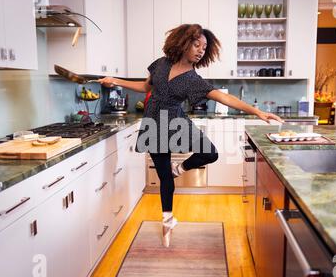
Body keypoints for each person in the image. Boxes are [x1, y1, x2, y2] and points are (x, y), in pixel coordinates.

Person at [99, 24, 283, 247]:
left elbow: (224, 98)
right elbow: (146, 87)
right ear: (183, 42)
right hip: (153, 124)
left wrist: (257, 111)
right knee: (164, 177)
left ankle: (181, 169)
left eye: (204, 48)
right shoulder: (160, 63)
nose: (200, 50)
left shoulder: (194, 79)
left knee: (210, 153)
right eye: (197, 45)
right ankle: (168, 220)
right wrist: (115, 81)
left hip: (176, 122)